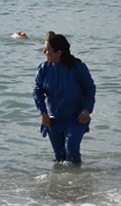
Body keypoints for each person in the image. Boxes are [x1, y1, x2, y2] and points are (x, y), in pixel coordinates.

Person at [33, 33, 96, 165]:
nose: (44, 52)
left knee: (71, 149)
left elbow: (90, 89)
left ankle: (78, 181)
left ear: (58, 52)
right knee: (59, 157)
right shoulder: (44, 69)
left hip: (76, 118)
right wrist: (43, 113)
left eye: (47, 49)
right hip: (53, 120)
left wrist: (86, 110)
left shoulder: (78, 67)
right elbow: (37, 91)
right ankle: (62, 185)